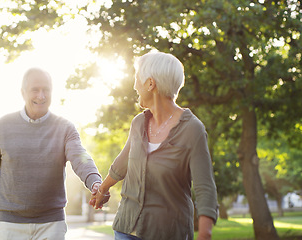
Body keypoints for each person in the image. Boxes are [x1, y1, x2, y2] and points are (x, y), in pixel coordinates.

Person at [90, 52, 218, 240]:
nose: (134, 86)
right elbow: (123, 162)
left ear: (150, 84)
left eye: (137, 79)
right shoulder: (139, 123)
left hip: (166, 231)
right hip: (126, 228)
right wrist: (102, 189)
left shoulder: (192, 129)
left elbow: (204, 186)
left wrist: (205, 234)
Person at [0, 67, 103, 240]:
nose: (41, 96)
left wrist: (94, 181)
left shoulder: (65, 127)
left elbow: (80, 158)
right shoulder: (3, 126)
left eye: (46, 90)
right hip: (10, 225)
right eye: (35, 90)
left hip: (51, 225)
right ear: (23, 93)